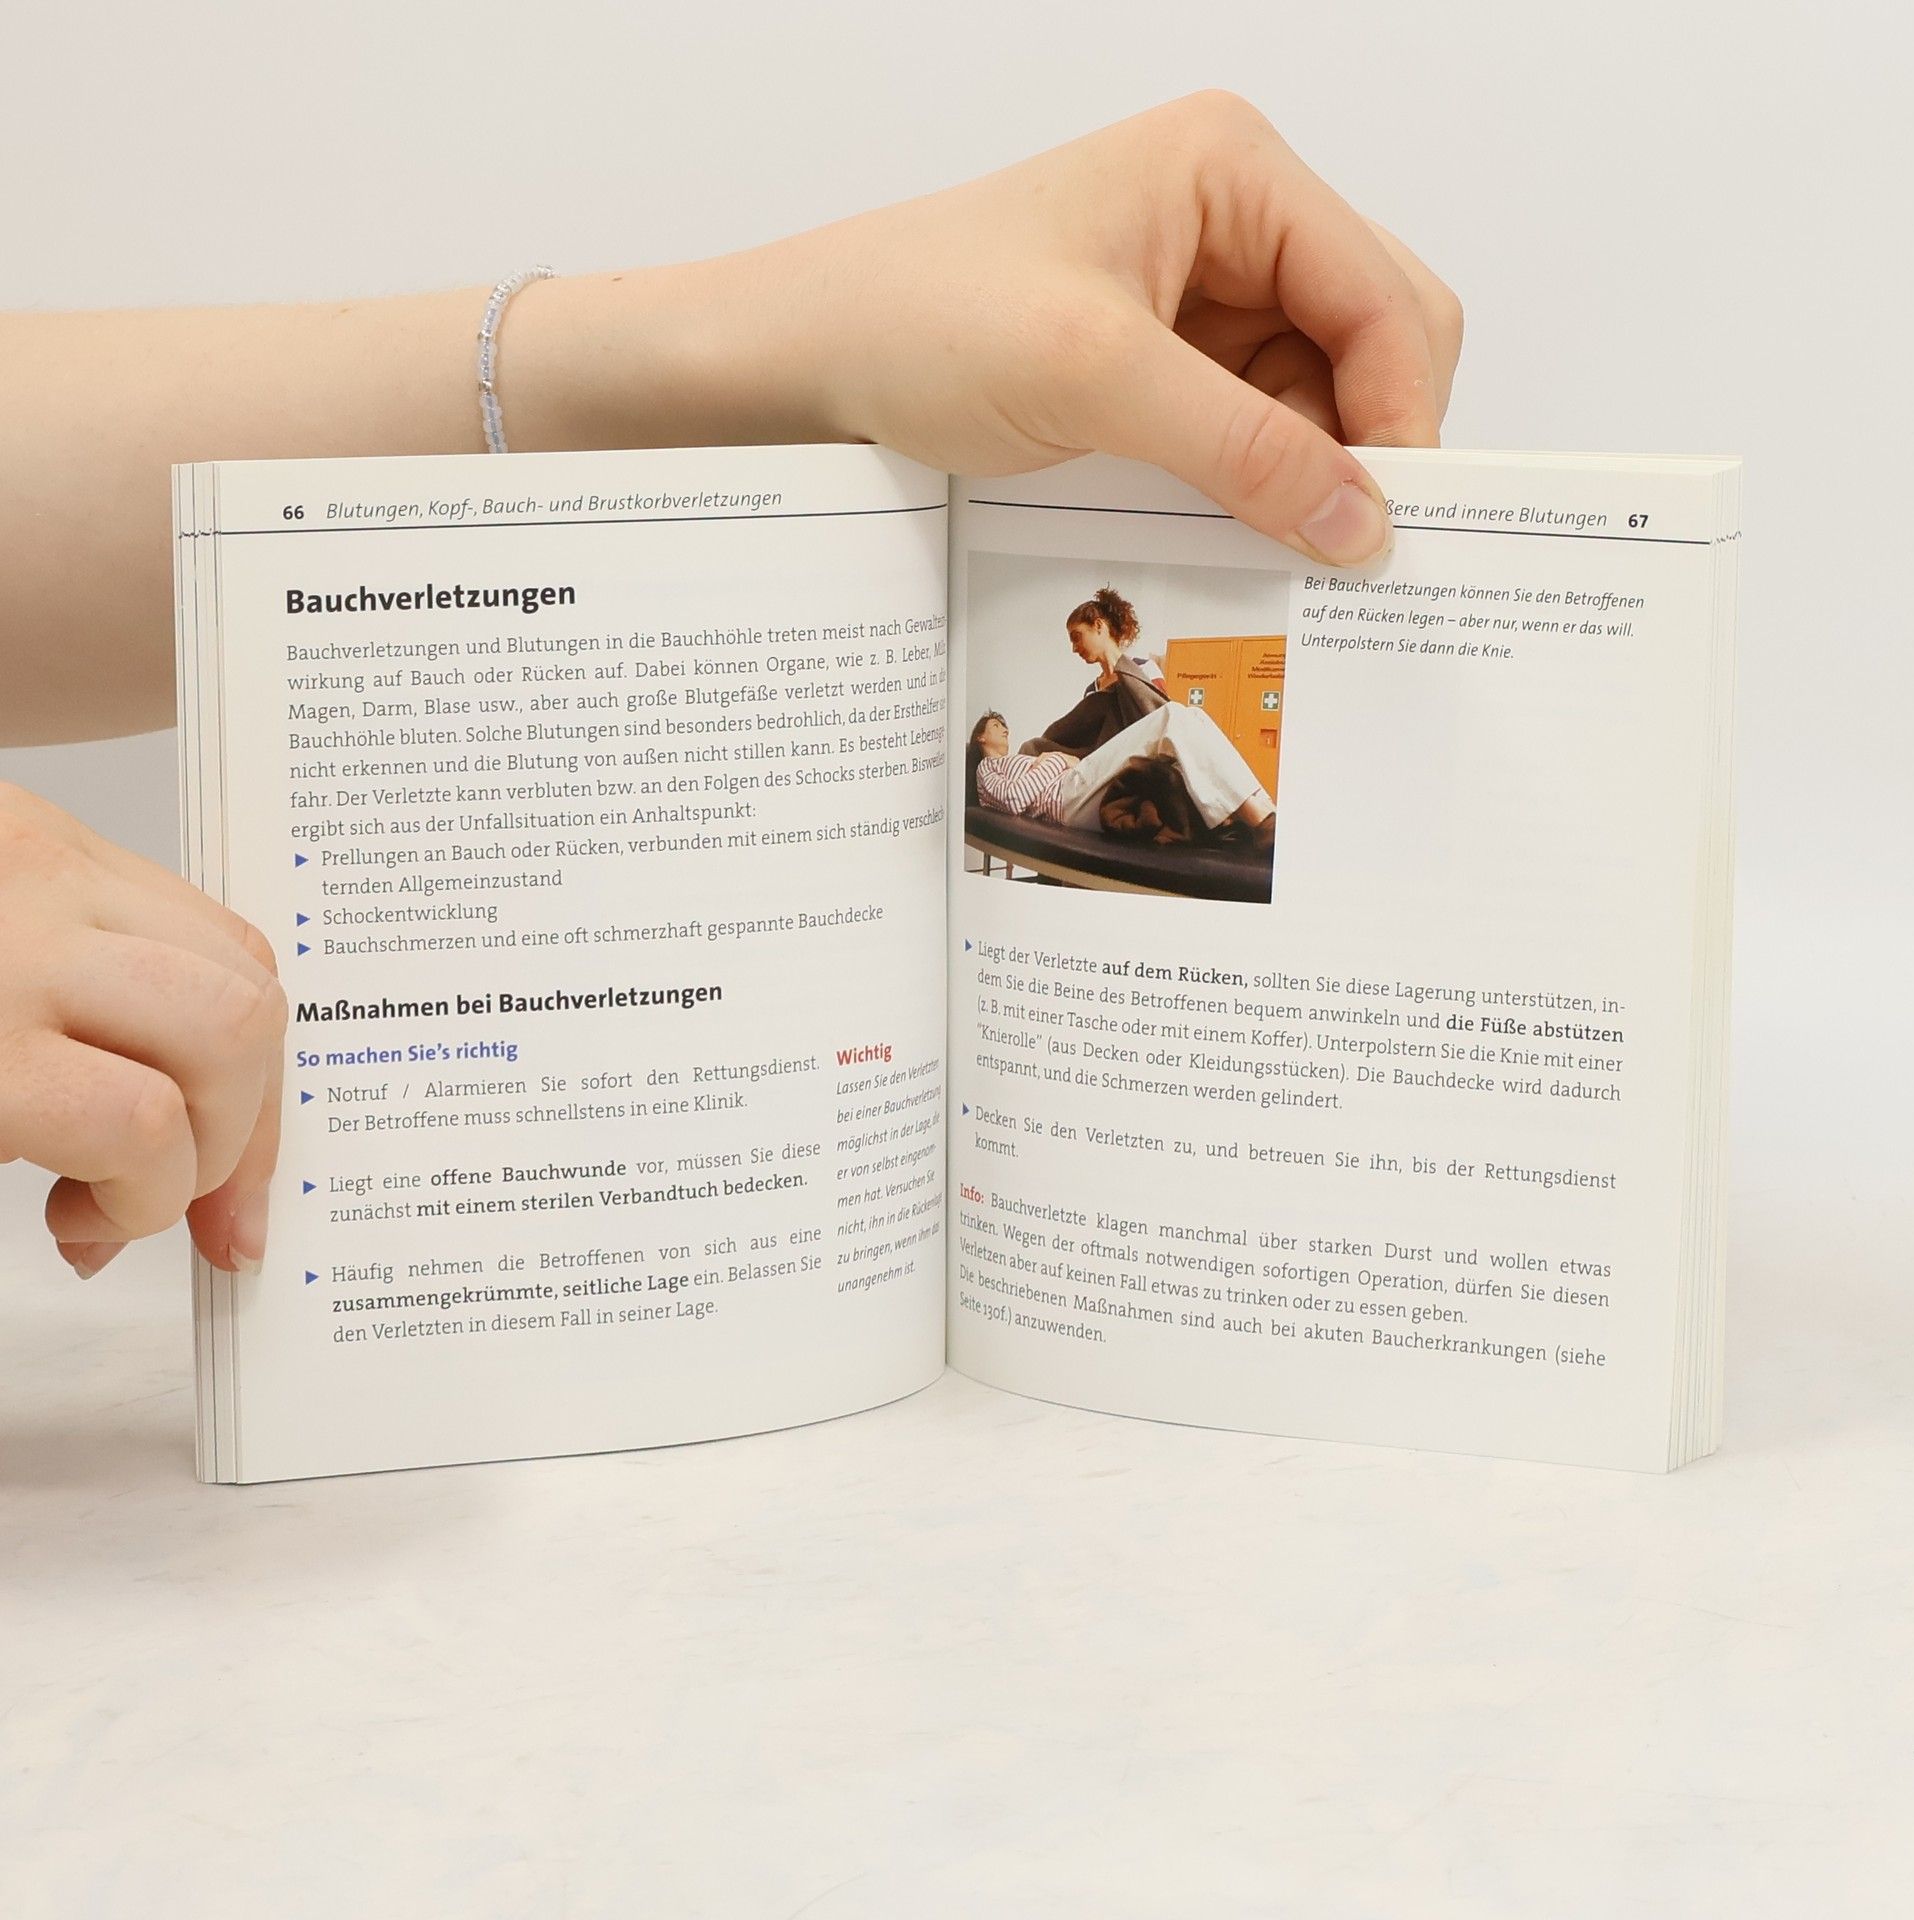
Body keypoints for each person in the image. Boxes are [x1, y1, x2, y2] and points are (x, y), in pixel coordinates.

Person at [0, 91, 1461, 1281]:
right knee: (1178, 729)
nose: (1078, 662)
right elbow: (1050, 756)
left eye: (1089, 645)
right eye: (1076, 652)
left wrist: (757, 339)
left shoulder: (1103, 691)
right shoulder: (1038, 737)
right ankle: (1243, 820)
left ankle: (1246, 821)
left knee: (1183, 725)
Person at [969, 707, 1276, 846]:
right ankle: (1261, 819)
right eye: (996, 726)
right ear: (980, 738)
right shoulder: (987, 769)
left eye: (1004, 725)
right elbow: (1014, 799)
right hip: (1065, 798)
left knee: (1192, 716)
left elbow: (1056, 769)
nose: (1004, 729)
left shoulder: (1019, 757)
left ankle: (1260, 810)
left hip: (1073, 788)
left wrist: (1055, 760)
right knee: (1171, 716)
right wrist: (1054, 760)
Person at [1021, 587, 1169, 758]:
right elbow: (1090, 744)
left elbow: (1161, 717)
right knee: (1032, 748)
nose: (1074, 648)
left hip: (1137, 755)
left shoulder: (1144, 668)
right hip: (1099, 760)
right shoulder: (1092, 690)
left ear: (1098, 626)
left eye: (1076, 637)